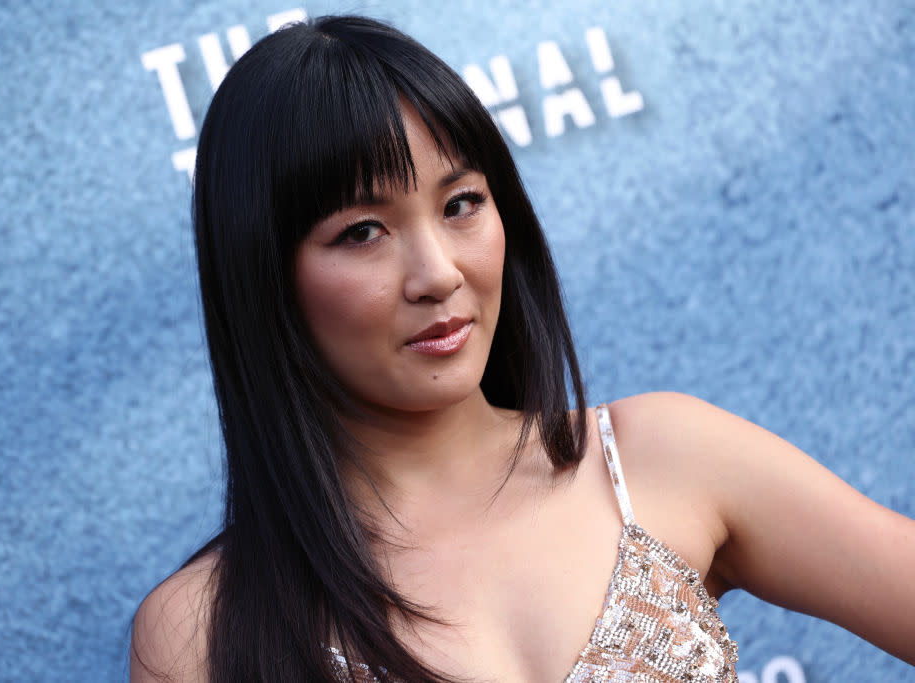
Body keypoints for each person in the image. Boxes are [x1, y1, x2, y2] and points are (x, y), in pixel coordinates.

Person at [130, 15, 915, 683]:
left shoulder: (658, 458)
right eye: (362, 232)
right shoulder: (201, 631)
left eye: (462, 203)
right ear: (264, 277)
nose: (438, 272)